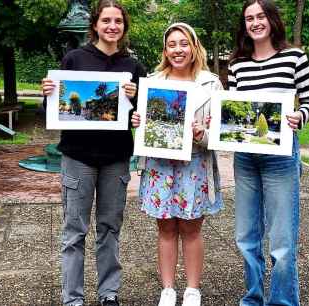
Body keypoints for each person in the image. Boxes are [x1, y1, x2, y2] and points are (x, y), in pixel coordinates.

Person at [42, 1, 146, 305]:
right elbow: (51, 111)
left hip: (116, 159)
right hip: (78, 157)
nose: (112, 26)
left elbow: (142, 116)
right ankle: (72, 298)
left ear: (124, 27)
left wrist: (138, 98)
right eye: (106, 20)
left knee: (110, 228)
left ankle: (108, 294)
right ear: (95, 25)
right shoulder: (73, 59)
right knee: (74, 231)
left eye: (118, 21)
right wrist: (48, 94)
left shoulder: (133, 67)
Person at [227, 1, 309, 305]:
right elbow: (233, 109)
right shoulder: (237, 63)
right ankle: (252, 299)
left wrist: (298, 117)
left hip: (281, 156)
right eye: (249, 18)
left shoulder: (295, 56)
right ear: (244, 24)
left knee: (282, 241)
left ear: (271, 19)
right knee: (245, 237)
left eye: (260, 16)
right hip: (245, 156)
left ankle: (282, 301)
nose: (255, 22)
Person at [131, 23, 224, 306]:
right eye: (172, 44)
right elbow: (147, 127)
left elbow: (220, 134)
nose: (178, 50)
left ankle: (193, 290)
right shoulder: (153, 81)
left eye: (183, 43)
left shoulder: (211, 83)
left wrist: (203, 134)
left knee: (191, 229)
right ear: (165, 50)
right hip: (160, 167)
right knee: (166, 229)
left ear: (194, 47)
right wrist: (138, 123)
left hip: (195, 166)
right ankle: (168, 290)